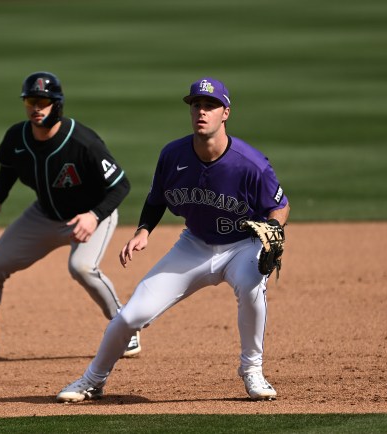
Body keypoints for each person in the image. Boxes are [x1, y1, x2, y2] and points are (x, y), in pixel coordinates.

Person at [57, 77, 290, 402]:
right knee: (131, 317)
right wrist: (143, 231)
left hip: (241, 246)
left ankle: (252, 370)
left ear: (226, 113)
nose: (202, 111)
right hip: (194, 245)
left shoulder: (250, 164)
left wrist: (275, 231)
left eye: (211, 105)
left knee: (252, 288)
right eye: (196, 105)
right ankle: (92, 380)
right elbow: (156, 199)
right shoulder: (173, 155)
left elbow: (279, 206)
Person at [0, 71, 141, 360]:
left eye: (43, 102)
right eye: (31, 101)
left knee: (81, 267)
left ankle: (126, 329)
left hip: (92, 214)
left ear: (57, 105)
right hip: (44, 215)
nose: (36, 108)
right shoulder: (17, 136)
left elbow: (121, 185)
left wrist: (94, 215)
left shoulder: (83, 142)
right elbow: (9, 167)